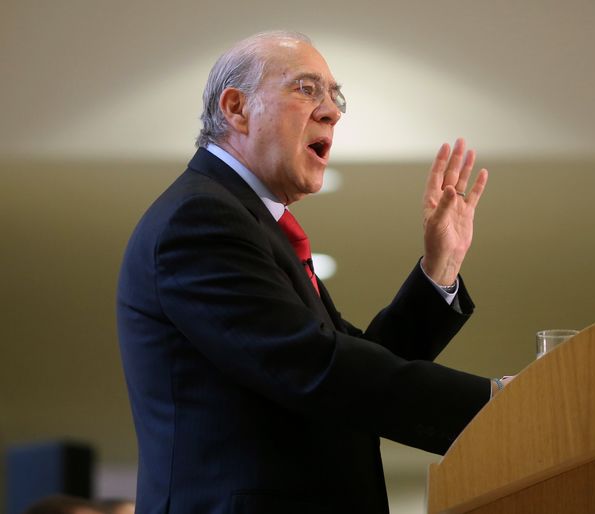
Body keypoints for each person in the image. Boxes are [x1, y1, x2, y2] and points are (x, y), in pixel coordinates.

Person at [117, 30, 509, 514]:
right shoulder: (198, 219)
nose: (332, 111)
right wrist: (501, 404)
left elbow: (353, 364)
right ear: (237, 108)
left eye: (335, 96)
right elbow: (317, 368)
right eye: (307, 89)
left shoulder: (246, 221)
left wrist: (439, 267)